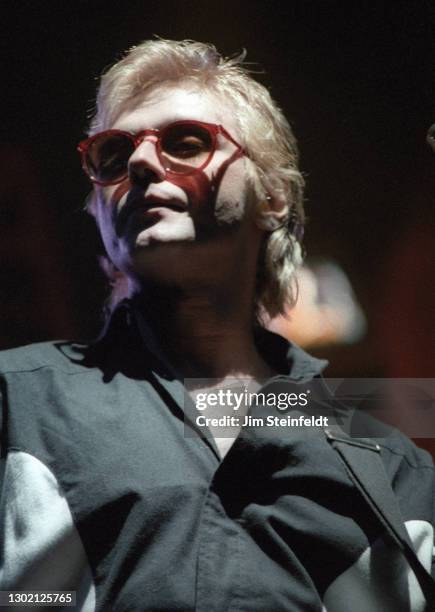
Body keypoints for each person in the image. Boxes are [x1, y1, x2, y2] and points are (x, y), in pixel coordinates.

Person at [0, 39, 434, 612]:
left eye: (185, 142)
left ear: (273, 197)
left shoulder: (396, 470)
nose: (139, 163)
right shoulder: (17, 400)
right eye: (112, 155)